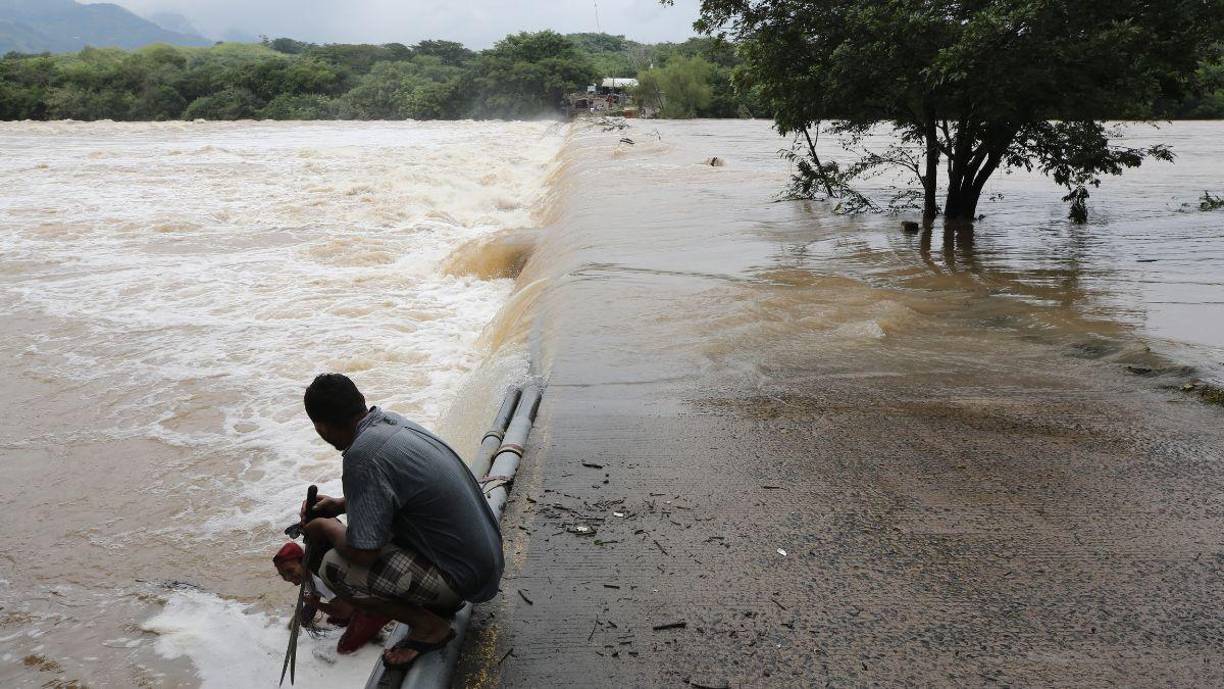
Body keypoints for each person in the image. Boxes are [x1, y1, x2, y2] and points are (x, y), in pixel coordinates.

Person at [297, 373, 505, 671]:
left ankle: (430, 627)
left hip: (464, 578)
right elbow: (396, 493)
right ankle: (437, 602)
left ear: (321, 427)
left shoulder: (361, 456)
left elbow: (363, 552)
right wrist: (341, 505)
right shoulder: (387, 423)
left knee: (334, 564)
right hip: (483, 560)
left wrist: (325, 527)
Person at [272, 542, 391, 655]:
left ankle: (377, 630)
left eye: (290, 571)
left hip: (376, 603)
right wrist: (298, 621)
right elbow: (314, 598)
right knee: (333, 621)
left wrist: (314, 603)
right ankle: (366, 628)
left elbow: (343, 612)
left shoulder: (320, 578)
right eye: (283, 575)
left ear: (303, 562)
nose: (287, 577)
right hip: (358, 599)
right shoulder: (307, 575)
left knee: (344, 649)